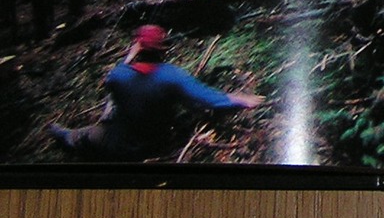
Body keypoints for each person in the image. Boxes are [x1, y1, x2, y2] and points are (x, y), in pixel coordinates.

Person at [48, 24, 263, 160]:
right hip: (155, 144)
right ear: (163, 50)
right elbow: (207, 98)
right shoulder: (172, 75)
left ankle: (62, 134)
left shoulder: (118, 75)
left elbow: (113, 79)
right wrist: (238, 98)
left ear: (138, 48)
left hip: (118, 143)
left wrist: (131, 55)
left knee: (80, 136)